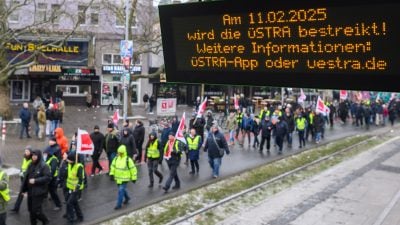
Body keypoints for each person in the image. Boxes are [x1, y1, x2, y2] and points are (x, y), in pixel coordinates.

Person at [21, 149, 51, 225]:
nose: (33, 157)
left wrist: (36, 180)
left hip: (39, 191)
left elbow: (48, 177)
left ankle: (45, 220)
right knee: (31, 210)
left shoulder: (44, 166)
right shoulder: (30, 164)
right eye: (33, 156)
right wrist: (24, 190)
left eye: (35, 156)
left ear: (39, 156)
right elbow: (26, 178)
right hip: (30, 191)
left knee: (36, 210)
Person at [109, 145, 137, 210]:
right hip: (118, 178)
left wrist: (134, 178)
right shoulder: (116, 159)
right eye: (118, 152)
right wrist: (111, 174)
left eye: (120, 153)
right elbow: (112, 166)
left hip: (125, 178)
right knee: (122, 190)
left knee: (120, 190)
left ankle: (119, 204)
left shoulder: (128, 159)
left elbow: (133, 169)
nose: (119, 154)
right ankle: (127, 198)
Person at [64, 152, 84, 224]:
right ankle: (80, 217)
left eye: (68, 159)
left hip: (76, 189)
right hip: (70, 187)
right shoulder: (69, 165)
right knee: (75, 203)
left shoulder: (79, 167)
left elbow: (81, 179)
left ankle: (71, 219)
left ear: (72, 160)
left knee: (69, 203)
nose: (67, 160)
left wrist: (77, 187)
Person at [10, 146, 32, 213]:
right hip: (23, 178)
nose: (26, 152)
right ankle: (16, 208)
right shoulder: (24, 157)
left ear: (30, 152)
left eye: (27, 151)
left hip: (29, 179)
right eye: (25, 151)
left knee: (30, 195)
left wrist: (25, 173)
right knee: (21, 193)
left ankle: (32, 209)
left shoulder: (32, 159)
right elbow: (23, 166)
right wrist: (21, 171)